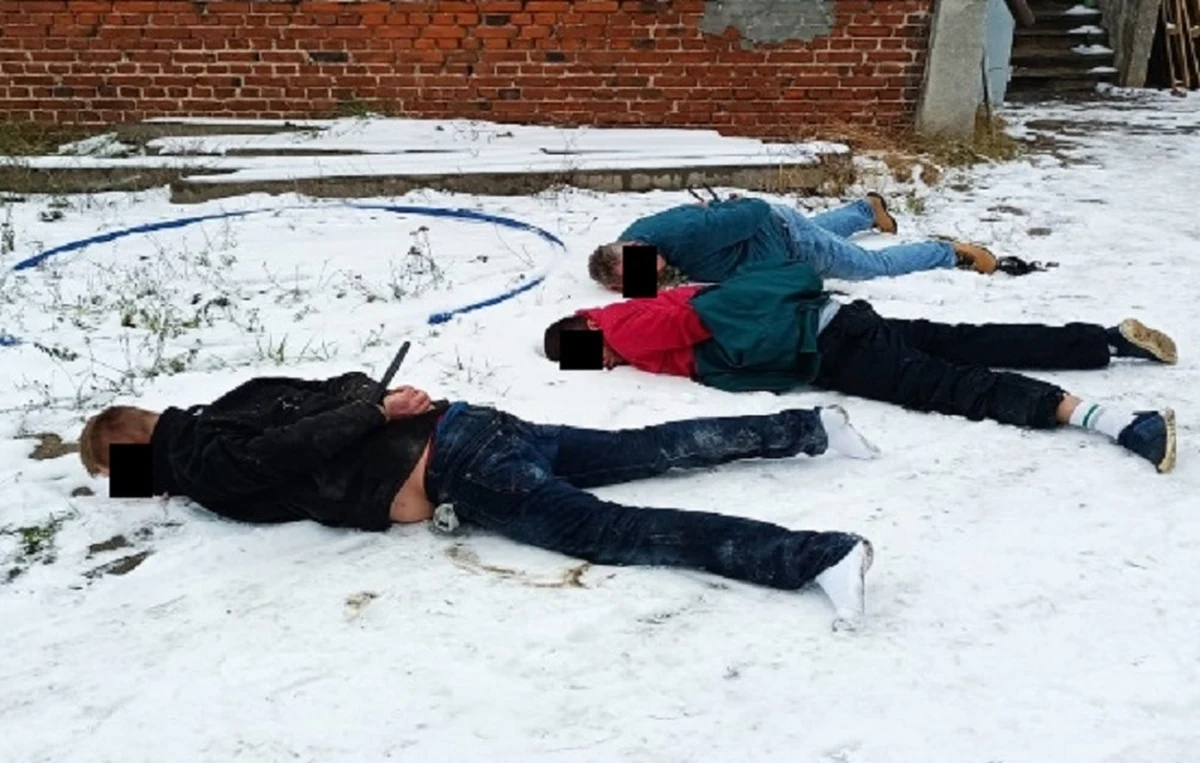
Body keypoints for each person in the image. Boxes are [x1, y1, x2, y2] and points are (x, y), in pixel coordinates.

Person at [78, 372, 885, 626]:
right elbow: (342, 385)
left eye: (122, 474)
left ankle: (816, 556)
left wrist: (370, 415)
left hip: (456, 464)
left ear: (137, 455)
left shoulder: (207, 460)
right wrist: (379, 400)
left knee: (610, 530)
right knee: (644, 448)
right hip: (464, 420)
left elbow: (281, 453)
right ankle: (807, 425)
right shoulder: (233, 399)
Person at [544, 260, 1179, 473]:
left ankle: (1117, 421)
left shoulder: (622, 324)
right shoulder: (643, 309)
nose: (598, 365)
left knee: (946, 385)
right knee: (968, 341)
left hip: (827, 349)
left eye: (586, 355)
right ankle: (1105, 341)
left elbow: (690, 324)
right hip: (836, 319)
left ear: (585, 330)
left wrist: (628, 349)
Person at [587, 193, 998, 292]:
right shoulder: (631, 246)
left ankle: (950, 252)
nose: (650, 274)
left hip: (787, 239)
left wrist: (735, 212)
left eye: (644, 266)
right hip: (777, 238)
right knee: (824, 228)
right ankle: (866, 210)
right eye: (633, 280)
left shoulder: (688, 236)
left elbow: (756, 212)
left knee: (872, 268)